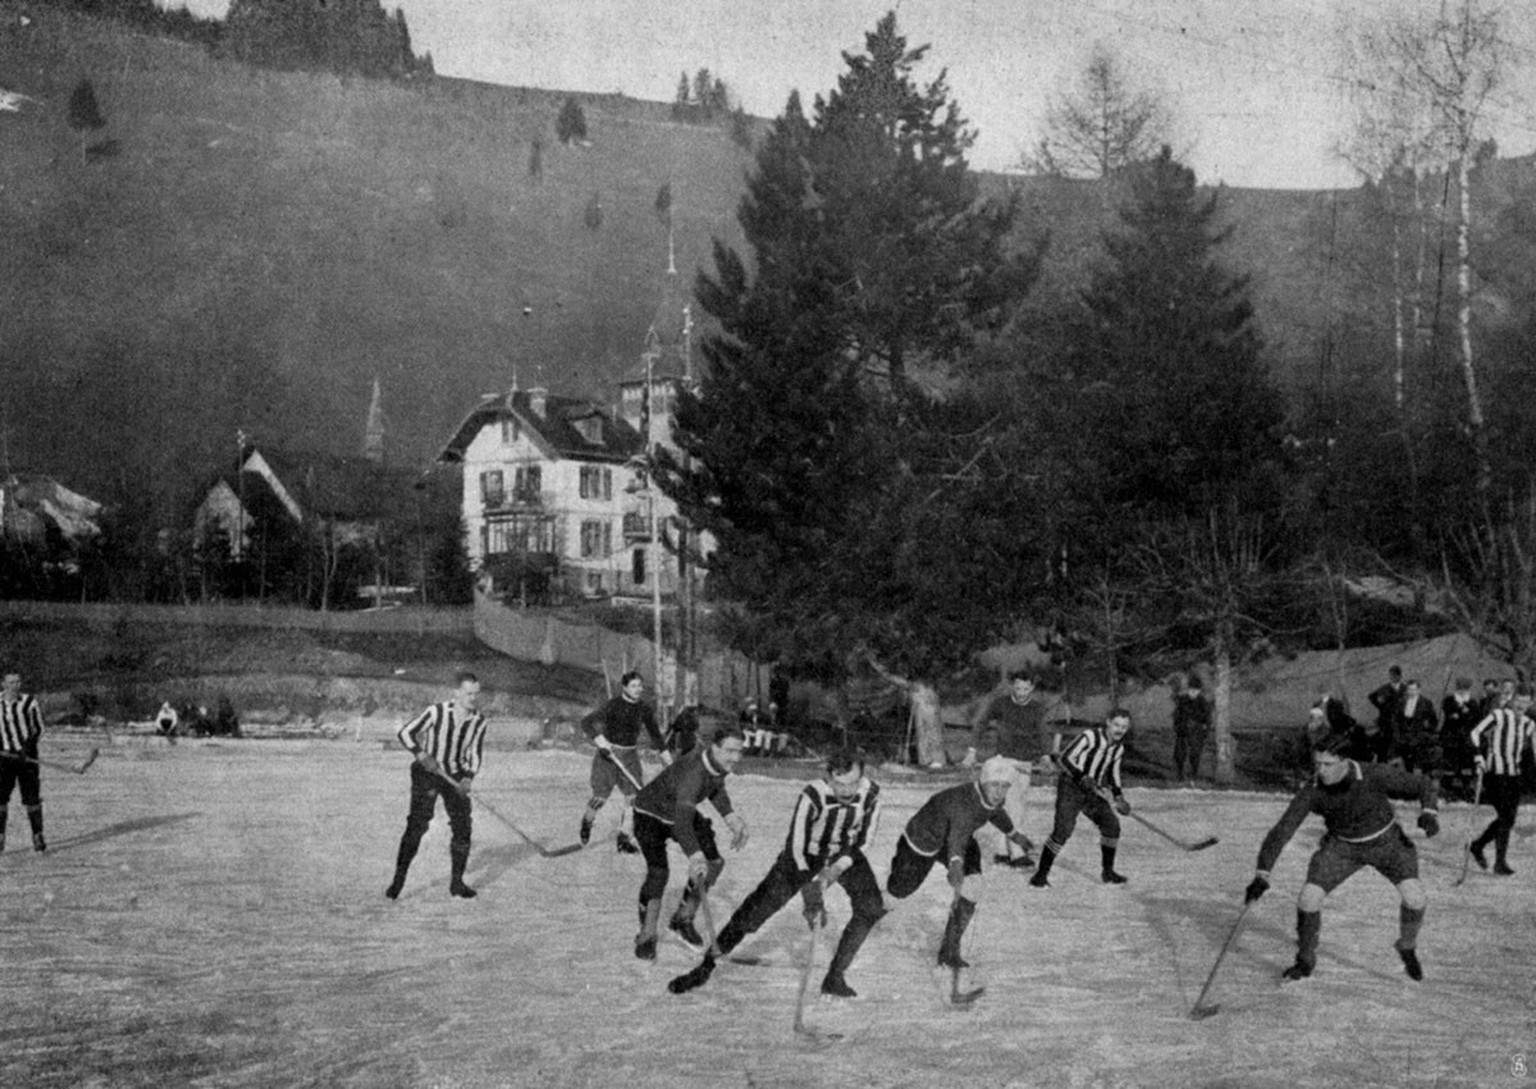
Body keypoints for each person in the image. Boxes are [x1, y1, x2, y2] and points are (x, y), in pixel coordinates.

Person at [667, 747, 884, 997]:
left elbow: (864, 842)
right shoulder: (813, 794)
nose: (846, 791)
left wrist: (835, 870)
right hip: (804, 855)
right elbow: (797, 847)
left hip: (846, 855)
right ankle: (705, 966)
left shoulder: (871, 795)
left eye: (853, 783)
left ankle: (834, 977)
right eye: (839, 784)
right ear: (828, 776)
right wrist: (812, 895)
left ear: (862, 777)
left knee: (871, 907)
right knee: (754, 912)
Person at [829, 756, 1034, 994]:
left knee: (973, 888)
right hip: (920, 842)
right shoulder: (964, 804)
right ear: (983, 782)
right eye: (995, 785)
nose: (999, 792)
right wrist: (955, 866)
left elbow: (994, 812)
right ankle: (864, 915)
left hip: (957, 839)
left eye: (1004, 786)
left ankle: (949, 952)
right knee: (893, 898)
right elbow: (957, 836)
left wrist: (1014, 834)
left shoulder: (989, 797)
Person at [1243, 739, 1440, 982]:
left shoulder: (1371, 774)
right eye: (1317, 764)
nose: (1321, 770)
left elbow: (1422, 784)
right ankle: (1304, 962)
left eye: (1328, 764)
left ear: (1345, 762)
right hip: (1342, 847)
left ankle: (1406, 946)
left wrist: (1429, 812)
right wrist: (1262, 873)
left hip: (1387, 843)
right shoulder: (1313, 790)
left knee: (1415, 898)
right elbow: (1283, 829)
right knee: (1308, 898)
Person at [631, 725, 748, 960]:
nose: (735, 757)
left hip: (678, 813)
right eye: (730, 751)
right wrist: (695, 856)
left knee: (714, 863)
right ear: (714, 747)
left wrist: (730, 817)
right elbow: (682, 825)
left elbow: (715, 786)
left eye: (739, 751)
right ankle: (646, 936)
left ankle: (682, 919)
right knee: (659, 873)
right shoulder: (693, 772)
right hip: (649, 816)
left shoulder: (716, 762)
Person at [385, 671, 489, 900]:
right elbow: (405, 733)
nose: (473, 698)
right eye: (468, 693)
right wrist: (421, 754)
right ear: (456, 693)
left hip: (455, 775)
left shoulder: (479, 721)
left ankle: (457, 883)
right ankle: (398, 882)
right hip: (427, 774)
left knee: (463, 828)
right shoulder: (436, 712)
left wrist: (468, 777)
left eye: (476, 694)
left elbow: (474, 752)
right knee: (418, 824)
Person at [1031, 709, 1134, 887]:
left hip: (1093, 791)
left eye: (1124, 727)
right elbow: (1064, 759)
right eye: (1116, 725)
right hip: (1071, 787)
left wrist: (1119, 797)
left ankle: (1108, 873)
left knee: (1111, 826)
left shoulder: (1118, 748)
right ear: (1108, 722)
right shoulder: (1090, 736)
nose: (1119, 730)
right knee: (1062, 831)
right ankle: (1040, 875)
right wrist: (1081, 777)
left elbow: (1113, 773)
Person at [961, 670, 1048, 868]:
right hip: (1005, 760)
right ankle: (1017, 854)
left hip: (1025, 761)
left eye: (1026, 688)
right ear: (1012, 686)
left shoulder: (1036, 708)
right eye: (1018, 687)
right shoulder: (1001, 704)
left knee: (1015, 805)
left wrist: (1045, 756)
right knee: (1014, 806)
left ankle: (1001, 851)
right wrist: (972, 750)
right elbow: (981, 723)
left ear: (1032, 688)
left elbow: (1042, 732)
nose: (1021, 692)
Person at [578, 670, 667, 854]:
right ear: (625, 687)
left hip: (630, 757)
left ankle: (624, 838)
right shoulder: (613, 705)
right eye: (633, 686)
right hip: (608, 756)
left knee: (633, 799)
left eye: (640, 686)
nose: (638, 689)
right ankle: (587, 821)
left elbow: (656, 736)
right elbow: (586, 723)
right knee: (600, 798)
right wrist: (600, 741)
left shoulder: (644, 709)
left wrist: (667, 758)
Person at [1467, 685, 1536, 876]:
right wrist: (1478, 758)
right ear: (1511, 700)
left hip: (1514, 775)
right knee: (1506, 817)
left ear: (1531, 703)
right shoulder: (1498, 715)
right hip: (1494, 774)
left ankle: (1477, 846)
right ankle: (1499, 862)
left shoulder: (1529, 724)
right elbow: (1475, 733)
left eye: (1526, 701)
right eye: (1518, 701)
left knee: (1508, 818)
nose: (1521, 705)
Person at [0, 671, 48, 853]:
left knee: (31, 797)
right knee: (0, 797)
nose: (15, 685)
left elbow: (39, 728)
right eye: (11, 682)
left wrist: (25, 749)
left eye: (18, 681)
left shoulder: (29, 702)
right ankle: (0, 836)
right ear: (3, 684)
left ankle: (38, 835)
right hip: (4, 758)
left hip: (27, 758)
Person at [1440, 677, 1482, 798]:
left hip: (1466, 738)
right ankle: (1448, 791)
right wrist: (1461, 712)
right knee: (1450, 764)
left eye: (1465, 689)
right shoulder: (1449, 700)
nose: (1462, 691)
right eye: (1460, 689)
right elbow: (1450, 715)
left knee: (1466, 764)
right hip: (1451, 738)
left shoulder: (1473, 702)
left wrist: (1462, 714)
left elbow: (1474, 718)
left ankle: (1466, 789)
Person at [1171, 673, 1212, 782]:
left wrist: (1204, 730)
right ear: (1188, 689)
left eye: (1196, 690)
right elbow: (1177, 715)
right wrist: (1177, 727)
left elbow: (1207, 719)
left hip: (1196, 732)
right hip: (1183, 730)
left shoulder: (1203, 702)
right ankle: (1180, 774)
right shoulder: (1182, 700)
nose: (1193, 692)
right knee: (1180, 753)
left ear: (1199, 691)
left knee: (1195, 753)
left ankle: (1194, 773)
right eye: (1191, 690)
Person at [1393, 679, 1440, 774]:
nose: (1411, 692)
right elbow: (1396, 719)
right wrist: (1398, 734)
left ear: (1419, 690)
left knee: (1418, 765)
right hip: (1404, 739)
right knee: (1407, 764)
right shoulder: (1402, 702)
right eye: (1409, 690)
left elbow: (1433, 720)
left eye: (1414, 689)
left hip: (1419, 739)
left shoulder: (1426, 703)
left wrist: (1427, 732)